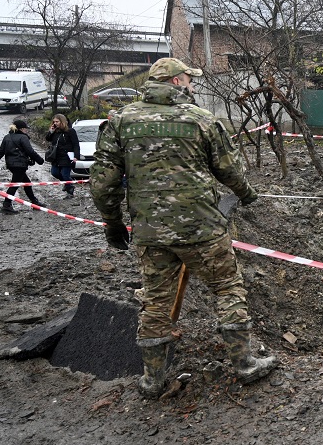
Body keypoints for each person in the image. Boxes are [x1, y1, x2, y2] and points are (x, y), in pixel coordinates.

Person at [90, 58, 276, 399]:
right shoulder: (201, 120)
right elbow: (228, 169)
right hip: (202, 228)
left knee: (156, 301)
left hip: (151, 232)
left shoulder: (120, 122)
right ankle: (245, 364)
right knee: (226, 287)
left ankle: (153, 380)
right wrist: (247, 194)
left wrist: (113, 225)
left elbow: (103, 184)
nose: (192, 85)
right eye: (189, 80)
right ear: (177, 82)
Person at [0, 118, 45, 213]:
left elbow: (0, 151)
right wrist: (40, 160)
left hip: (11, 165)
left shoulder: (7, 137)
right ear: (22, 129)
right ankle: (6, 205)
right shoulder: (23, 137)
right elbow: (30, 151)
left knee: (27, 183)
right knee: (14, 185)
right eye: (25, 128)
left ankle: (34, 202)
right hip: (20, 164)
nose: (27, 130)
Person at [45, 113, 81, 198]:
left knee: (65, 174)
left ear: (62, 121)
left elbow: (76, 144)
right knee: (55, 172)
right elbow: (48, 139)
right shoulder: (55, 131)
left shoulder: (70, 131)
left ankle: (70, 191)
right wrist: (51, 131)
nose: (55, 123)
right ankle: (68, 184)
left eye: (57, 121)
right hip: (56, 156)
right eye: (54, 122)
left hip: (67, 157)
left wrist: (76, 156)